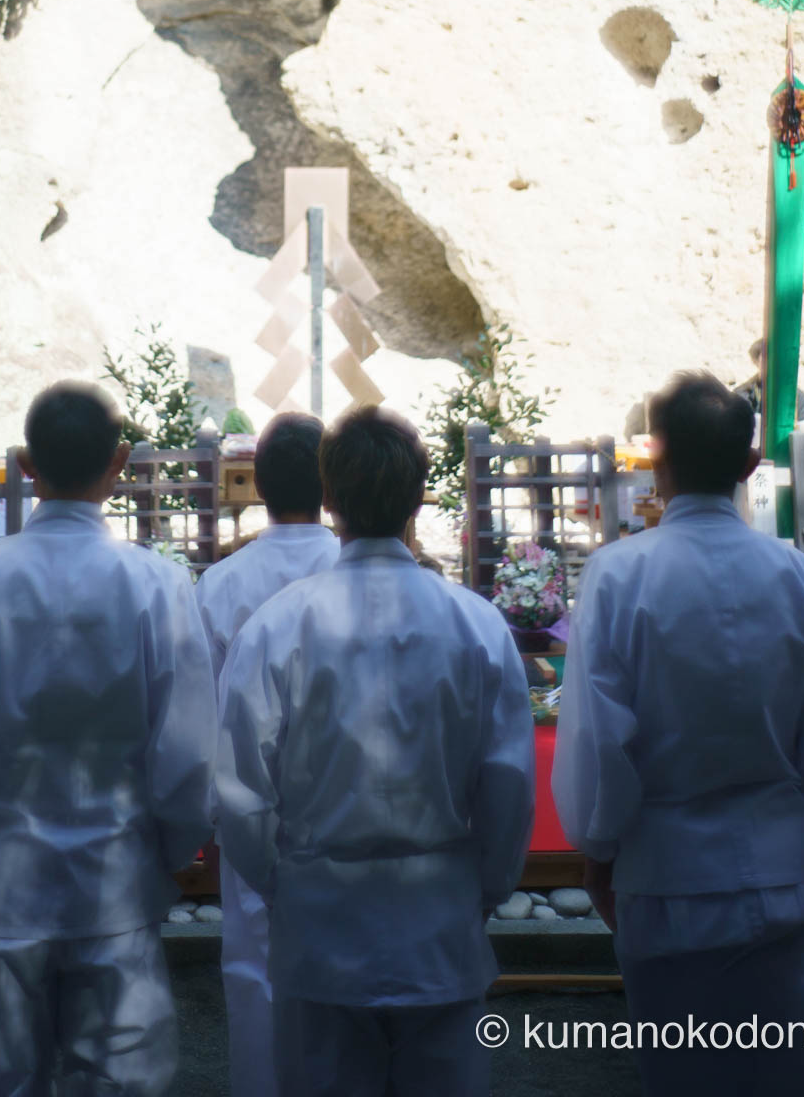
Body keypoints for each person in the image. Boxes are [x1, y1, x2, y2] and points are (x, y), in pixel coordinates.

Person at [553, 371, 804, 1097]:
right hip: (778, 870)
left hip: (666, 880)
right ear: (749, 465)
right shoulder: (796, 576)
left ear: (654, 457)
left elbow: (601, 742)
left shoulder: (617, 574)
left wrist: (598, 850)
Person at [0, 380, 216, 1097]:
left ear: (23, 464)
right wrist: (167, 854)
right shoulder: (156, 586)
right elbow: (187, 752)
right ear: (121, 461)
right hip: (117, 880)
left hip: (1, 879)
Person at [216, 404, 535, 1097]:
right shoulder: (476, 627)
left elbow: (239, 793)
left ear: (329, 497)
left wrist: (285, 882)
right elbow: (508, 784)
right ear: (421, 495)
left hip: (320, 925)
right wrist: (482, 888)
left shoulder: (278, 627)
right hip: (440, 923)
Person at [195, 412, 338, 1097]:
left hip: (252, 811)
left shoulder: (222, 584)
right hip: (349, 812)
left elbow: (200, 723)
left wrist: (208, 823)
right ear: (330, 484)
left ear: (258, 487)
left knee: (257, 985)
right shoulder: (355, 568)